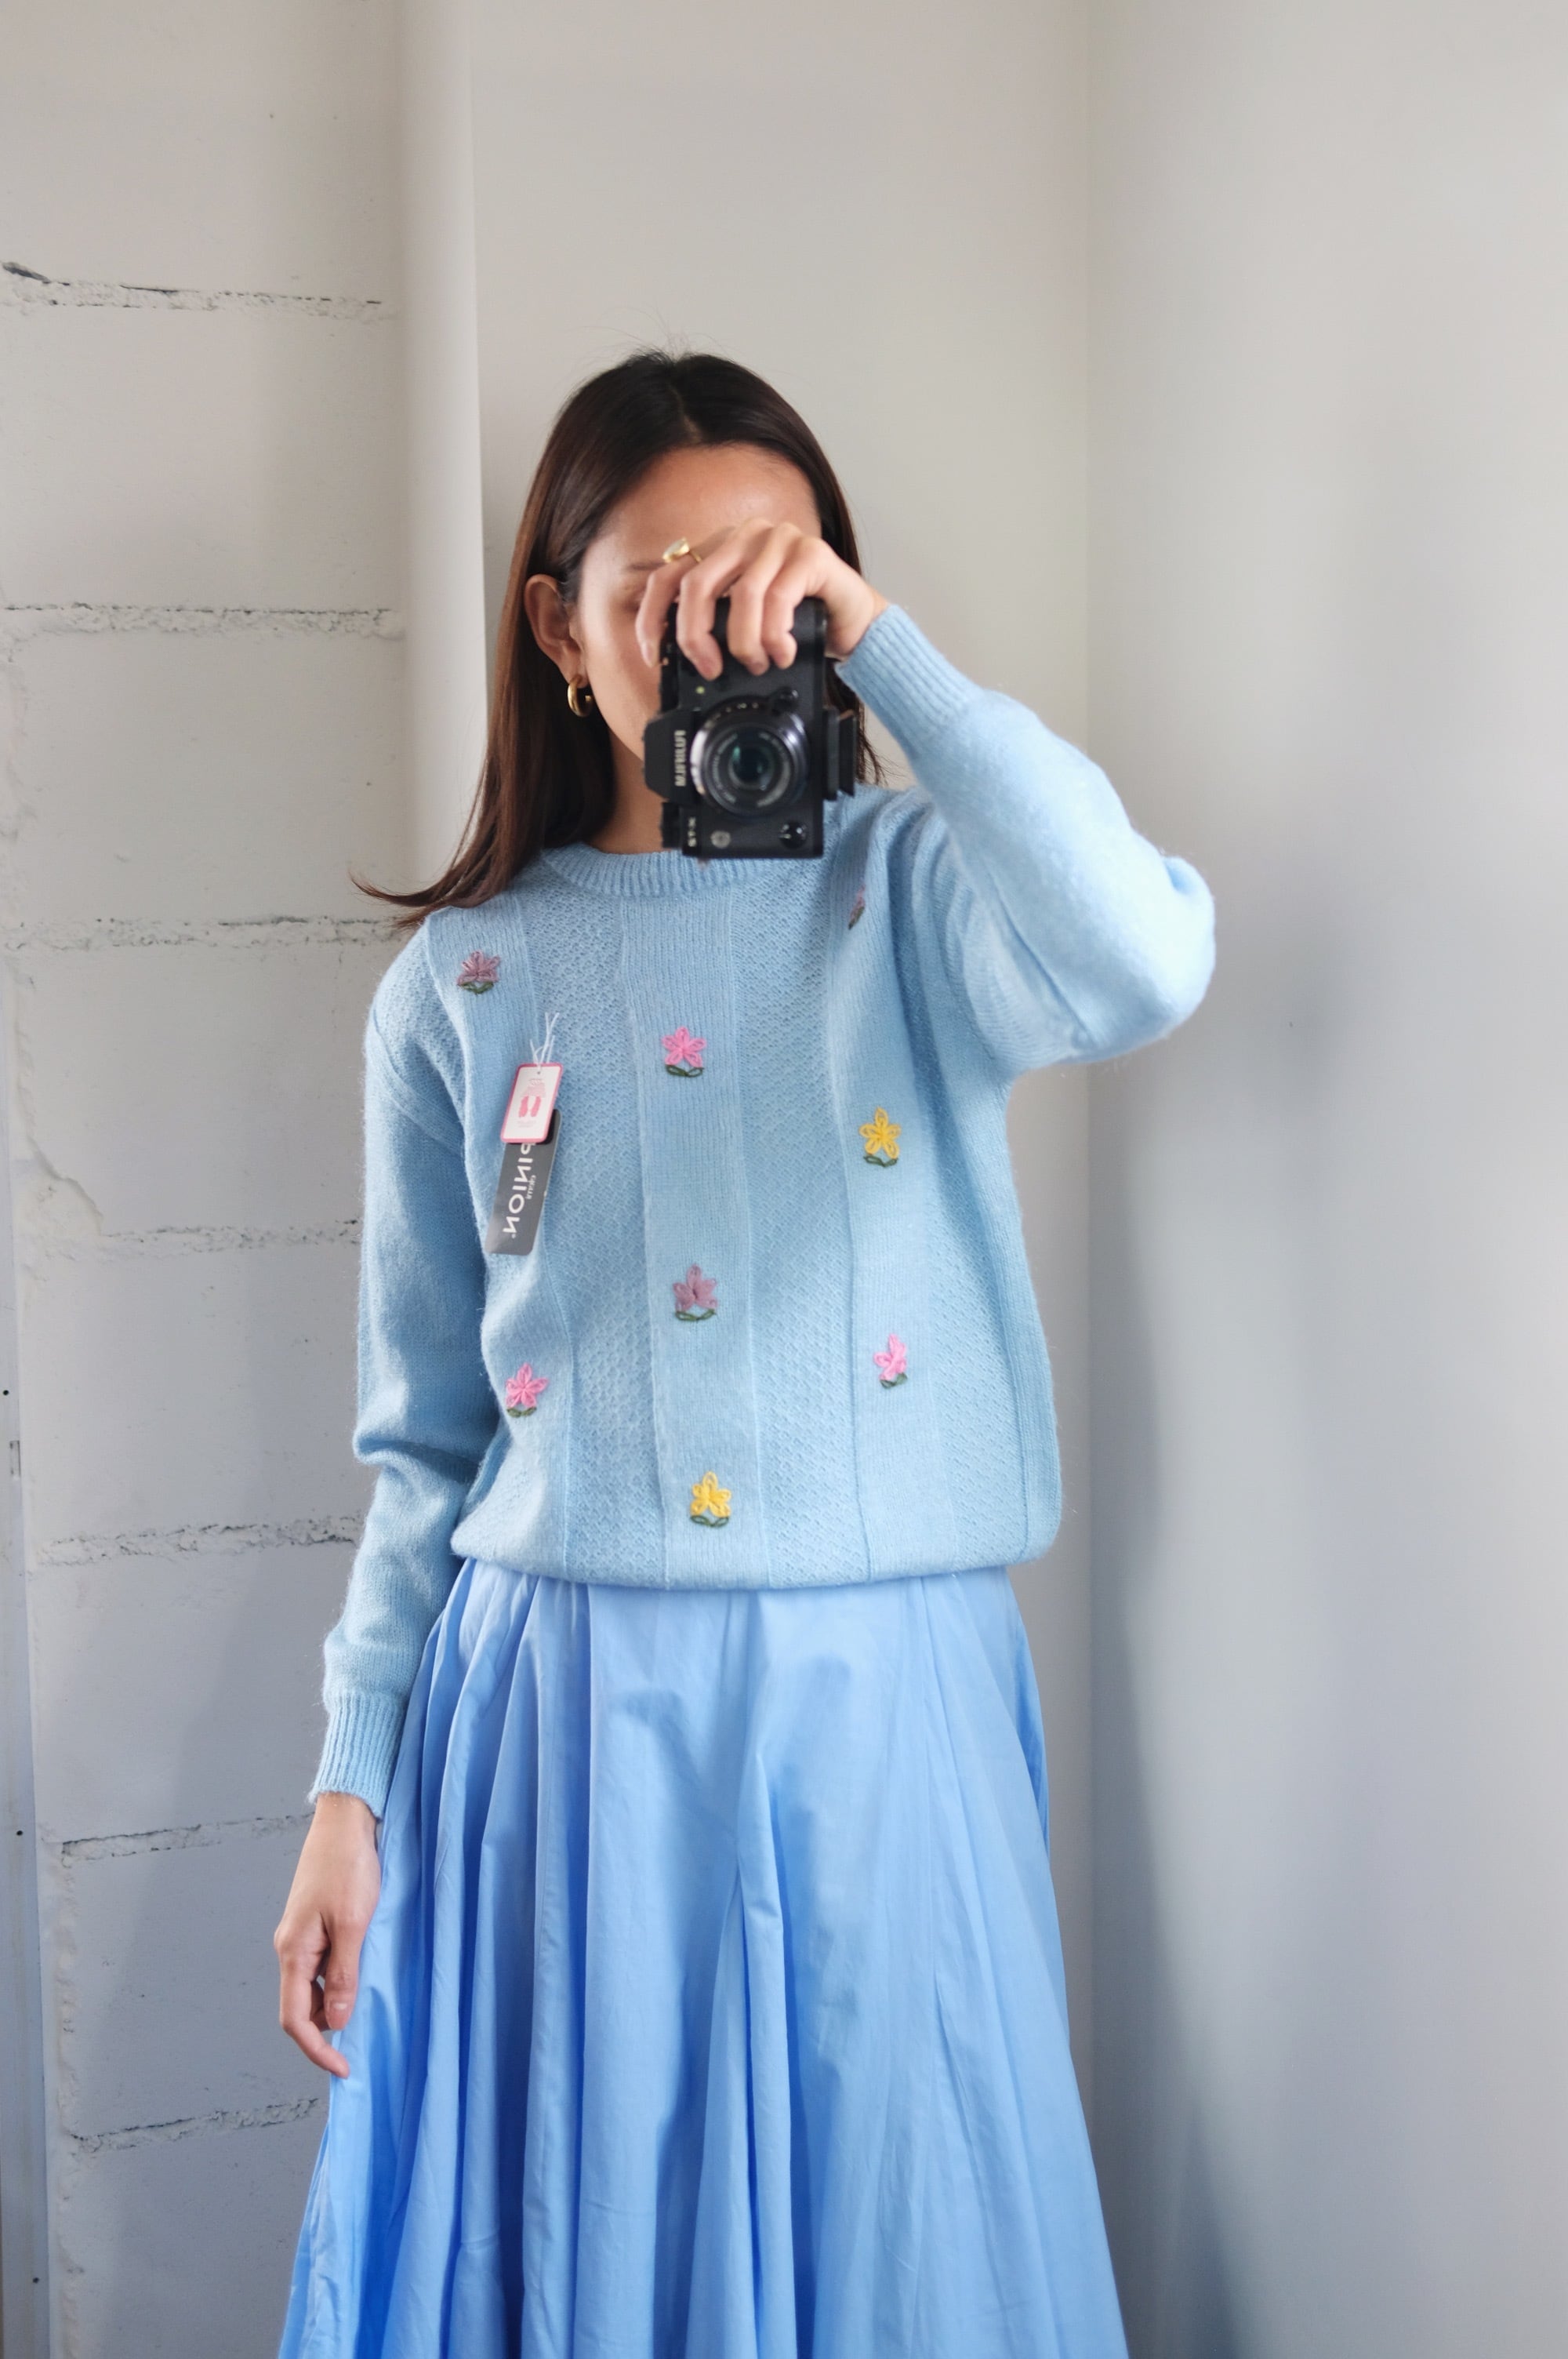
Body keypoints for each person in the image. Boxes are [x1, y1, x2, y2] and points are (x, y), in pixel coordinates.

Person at [272, 347, 1215, 2359]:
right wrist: (351, 1785)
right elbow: (427, 1439)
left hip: (883, 1703)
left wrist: (889, 654)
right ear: (558, 627)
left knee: (904, 2239)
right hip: (561, 1719)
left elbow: (1142, 957)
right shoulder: (463, 979)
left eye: (765, 586)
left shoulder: (917, 896)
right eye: (659, 590)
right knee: (587, 2236)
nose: (714, 635)